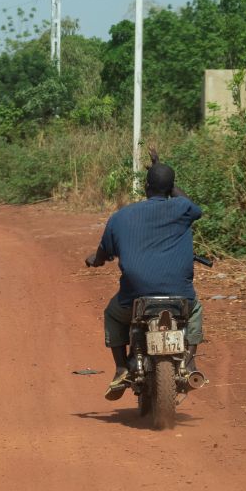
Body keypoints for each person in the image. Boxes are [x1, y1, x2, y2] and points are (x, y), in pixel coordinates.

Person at [85, 148, 204, 401]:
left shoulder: (121, 217)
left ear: (145, 187)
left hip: (135, 298)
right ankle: (189, 361)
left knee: (112, 315)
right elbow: (192, 205)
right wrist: (165, 177)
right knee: (194, 311)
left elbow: (104, 251)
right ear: (171, 189)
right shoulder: (181, 209)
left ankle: (121, 368)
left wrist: (95, 260)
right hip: (180, 297)